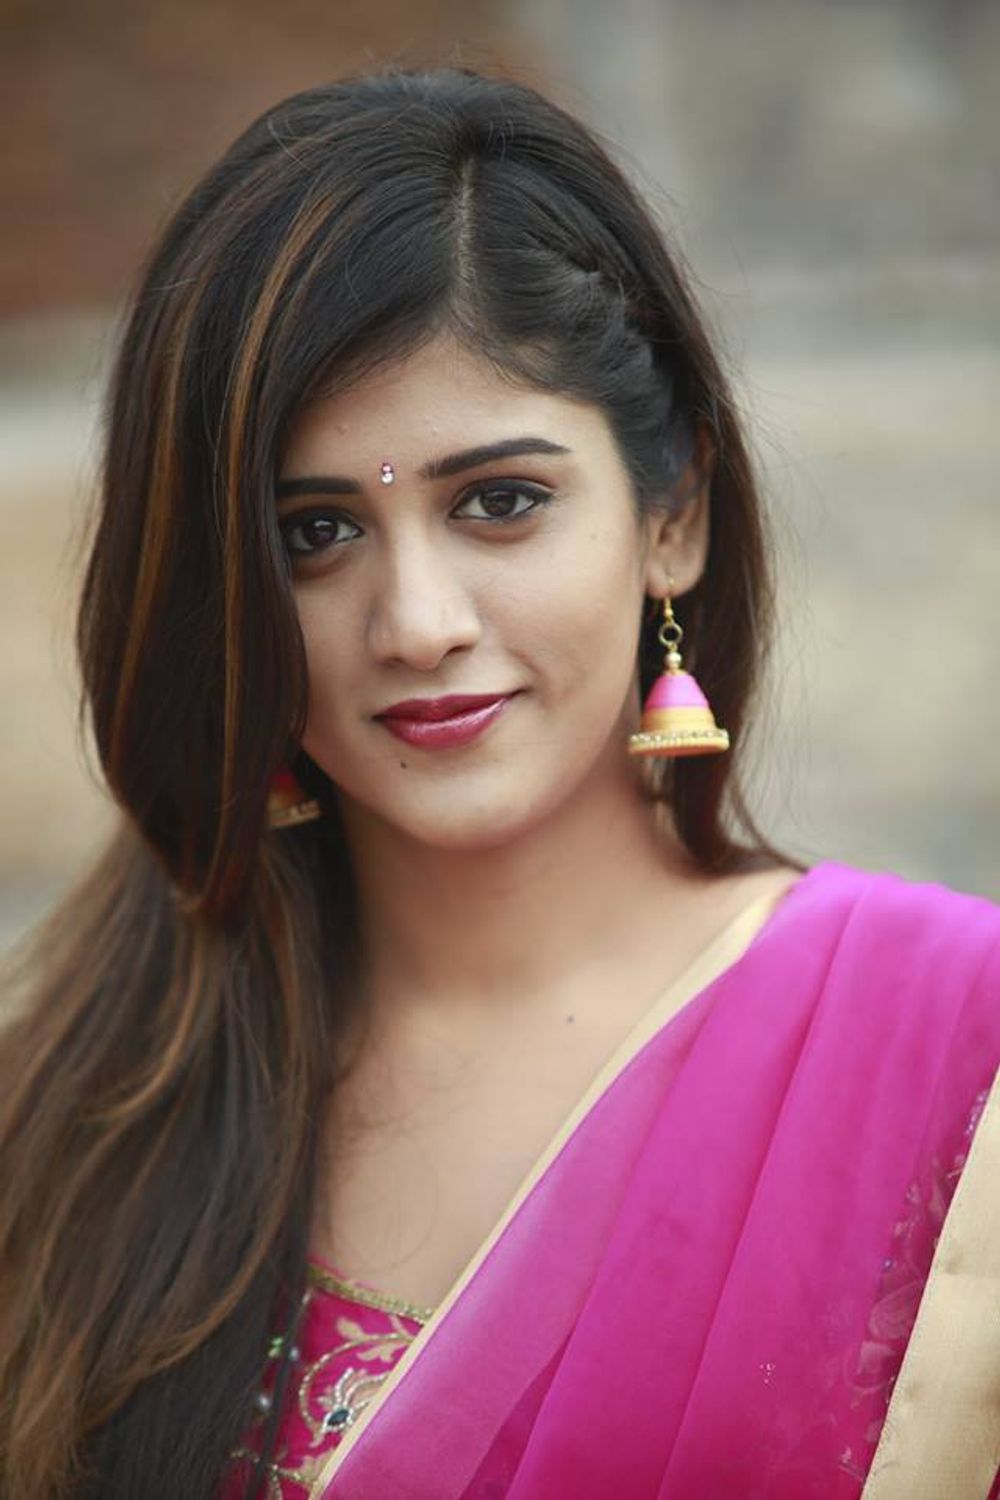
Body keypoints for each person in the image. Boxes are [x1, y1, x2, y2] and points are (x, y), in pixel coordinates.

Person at [1, 64, 997, 1500]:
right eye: (315, 533)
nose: (417, 622)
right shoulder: (95, 1105)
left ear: (674, 516)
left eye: (500, 503)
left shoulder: (953, 1048)